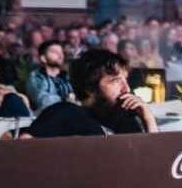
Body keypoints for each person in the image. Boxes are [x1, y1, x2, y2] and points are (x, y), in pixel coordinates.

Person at [20, 49, 157, 137]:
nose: (126, 89)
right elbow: (23, 147)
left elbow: (152, 165)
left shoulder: (123, 119)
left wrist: (148, 119)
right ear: (90, 88)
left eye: (125, 80)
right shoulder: (64, 113)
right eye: (115, 81)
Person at [26, 39, 74, 112]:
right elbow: (43, 101)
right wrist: (67, 100)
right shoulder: (37, 77)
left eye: (61, 52)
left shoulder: (66, 76)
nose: (60, 55)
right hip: (48, 117)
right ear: (43, 58)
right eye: (55, 52)